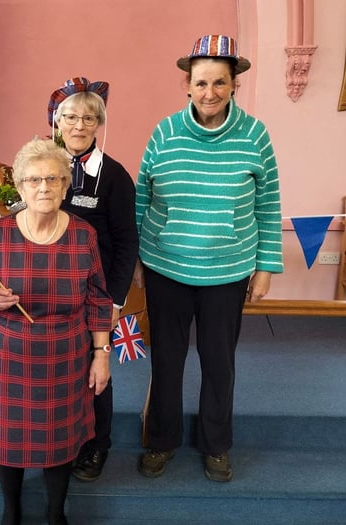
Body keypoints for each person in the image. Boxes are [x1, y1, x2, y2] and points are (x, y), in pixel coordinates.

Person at [134, 35, 283, 482]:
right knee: (167, 360)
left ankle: (216, 445)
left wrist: (265, 267)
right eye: (201, 82)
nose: (210, 92)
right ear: (187, 85)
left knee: (219, 364)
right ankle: (162, 440)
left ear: (234, 84)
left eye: (220, 82)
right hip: (166, 267)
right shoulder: (164, 132)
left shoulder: (255, 135)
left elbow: (268, 205)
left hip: (227, 270)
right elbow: (142, 197)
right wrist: (138, 259)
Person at [0, 138, 113, 525]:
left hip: (65, 356)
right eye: (33, 180)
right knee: (8, 439)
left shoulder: (83, 235)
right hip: (9, 355)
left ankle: (55, 512)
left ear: (66, 186)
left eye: (53, 179)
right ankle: (11, 509)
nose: (44, 187)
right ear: (19, 186)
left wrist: (101, 355)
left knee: (60, 441)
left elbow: (99, 299)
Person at [48, 77, 138, 481]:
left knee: (95, 370)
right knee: (56, 368)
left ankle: (97, 445)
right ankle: (59, 438)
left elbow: (126, 242)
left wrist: (115, 300)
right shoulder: (42, 168)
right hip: (49, 291)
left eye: (88, 118)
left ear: (99, 123)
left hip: (95, 294)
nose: (79, 126)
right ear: (57, 121)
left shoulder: (114, 175)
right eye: (70, 117)